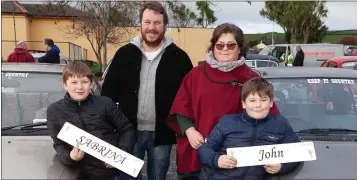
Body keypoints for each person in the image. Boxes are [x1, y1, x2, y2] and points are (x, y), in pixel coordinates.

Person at [167, 23, 280, 180]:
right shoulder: (196, 75)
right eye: (219, 45)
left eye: (231, 45)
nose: (225, 49)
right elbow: (181, 107)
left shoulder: (252, 78)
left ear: (240, 48)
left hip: (235, 161)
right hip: (197, 152)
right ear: (213, 47)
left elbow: (271, 118)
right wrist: (190, 131)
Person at [101, 2, 193, 180]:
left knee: (157, 176)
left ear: (165, 26)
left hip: (162, 132)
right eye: (147, 22)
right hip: (127, 131)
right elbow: (107, 94)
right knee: (127, 176)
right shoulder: (124, 54)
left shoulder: (179, 57)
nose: (152, 27)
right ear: (140, 25)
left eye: (157, 23)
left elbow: (189, 96)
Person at [47, 60, 135, 180]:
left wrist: (120, 153)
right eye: (74, 82)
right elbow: (58, 144)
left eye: (84, 81)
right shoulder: (54, 110)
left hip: (110, 173)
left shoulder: (105, 103)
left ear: (91, 84)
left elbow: (127, 129)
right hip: (77, 174)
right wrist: (70, 157)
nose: (80, 87)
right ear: (64, 84)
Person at [198, 77, 301, 180]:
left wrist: (282, 167)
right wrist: (217, 160)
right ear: (243, 103)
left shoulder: (280, 124)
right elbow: (204, 150)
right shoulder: (227, 122)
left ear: (271, 103)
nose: (258, 105)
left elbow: (299, 151)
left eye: (263, 100)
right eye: (252, 100)